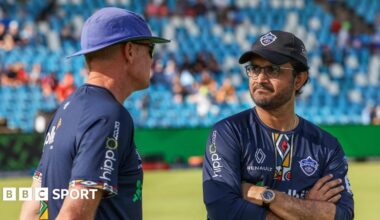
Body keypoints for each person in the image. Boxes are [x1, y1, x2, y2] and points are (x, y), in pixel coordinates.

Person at [20, 7, 170, 220]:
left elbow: (33, 209)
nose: (152, 58)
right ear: (129, 51)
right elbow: (75, 214)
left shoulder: (65, 109)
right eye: (150, 48)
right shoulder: (109, 115)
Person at [202, 30, 354, 219]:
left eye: (273, 69)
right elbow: (222, 210)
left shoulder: (326, 146)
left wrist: (264, 195)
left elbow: (343, 215)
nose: (260, 78)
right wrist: (308, 210)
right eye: (255, 69)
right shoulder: (228, 133)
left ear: (299, 79)